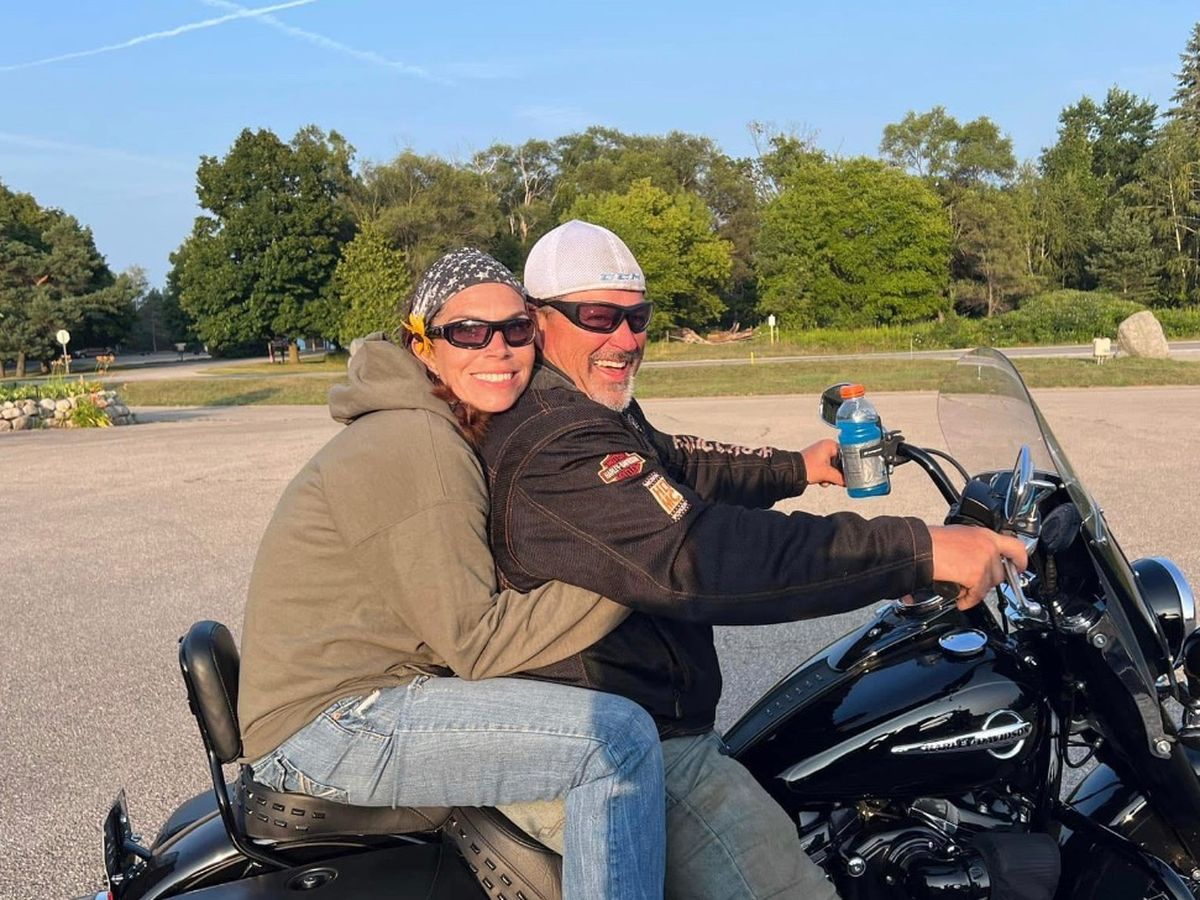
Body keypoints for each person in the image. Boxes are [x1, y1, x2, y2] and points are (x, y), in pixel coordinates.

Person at [479, 220, 1029, 900]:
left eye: (638, 318)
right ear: (537, 320)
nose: (624, 339)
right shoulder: (553, 439)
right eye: (598, 317)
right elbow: (703, 556)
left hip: (640, 717)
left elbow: (677, 462)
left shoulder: (584, 407)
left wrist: (798, 466)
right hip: (622, 744)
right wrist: (920, 549)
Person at [237, 248, 666, 900]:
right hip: (332, 728)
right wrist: (640, 566)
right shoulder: (420, 442)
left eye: (516, 329)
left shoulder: (432, 423)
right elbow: (477, 642)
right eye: (468, 332)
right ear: (423, 346)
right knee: (617, 741)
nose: (498, 349)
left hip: (355, 702)